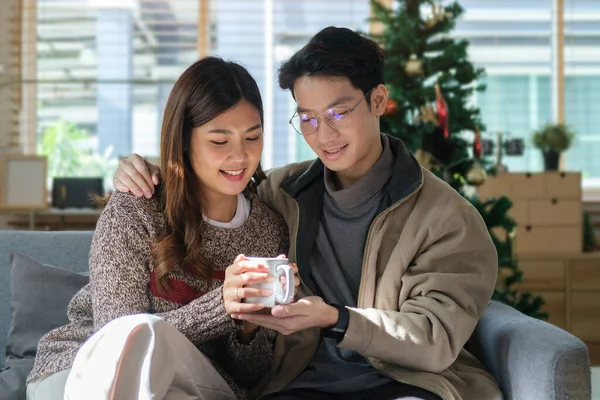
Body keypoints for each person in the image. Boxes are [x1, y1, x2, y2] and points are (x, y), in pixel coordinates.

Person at [112, 27, 502, 400]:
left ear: (378, 100)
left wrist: (335, 318)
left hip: (406, 383)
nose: (324, 134)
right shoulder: (282, 193)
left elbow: (434, 339)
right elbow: (216, 181)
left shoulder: (447, 218)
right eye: (309, 119)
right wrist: (151, 171)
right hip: (299, 385)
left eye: (339, 113)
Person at [26, 57, 294, 400]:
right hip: (79, 369)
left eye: (252, 137)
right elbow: (119, 340)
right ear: (184, 140)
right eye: (219, 141)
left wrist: (250, 324)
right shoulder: (138, 206)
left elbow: (249, 373)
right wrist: (221, 307)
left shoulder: (269, 232)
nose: (240, 156)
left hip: (194, 379)